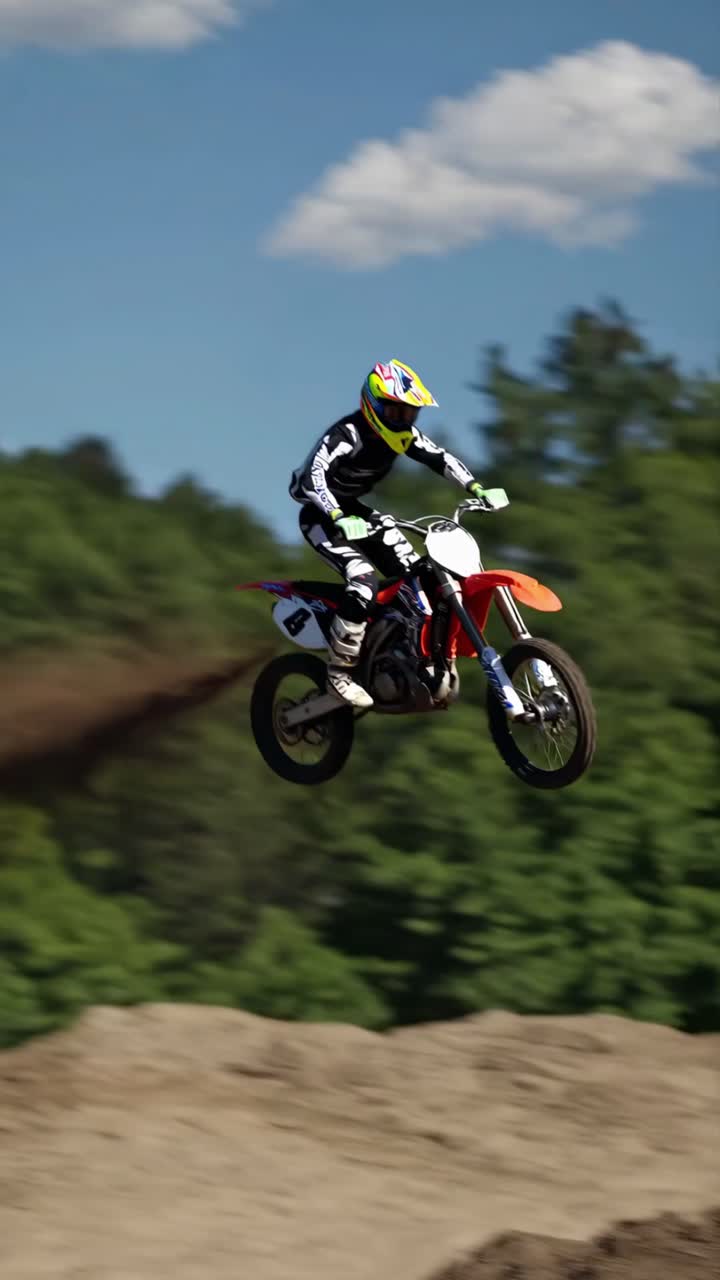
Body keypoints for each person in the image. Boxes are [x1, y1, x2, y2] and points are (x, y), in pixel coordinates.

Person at [289, 359, 487, 709]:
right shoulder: (346, 435)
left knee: (420, 573)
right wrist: (336, 513)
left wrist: (475, 487)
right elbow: (311, 478)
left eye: (410, 414)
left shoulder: (403, 437)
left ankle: (402, 652)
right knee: (362, 579)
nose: (405, 421)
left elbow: (439, 458)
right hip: (322, 517)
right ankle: (338, 674)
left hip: (357, 513)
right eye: (396, 412)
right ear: (375, 405)